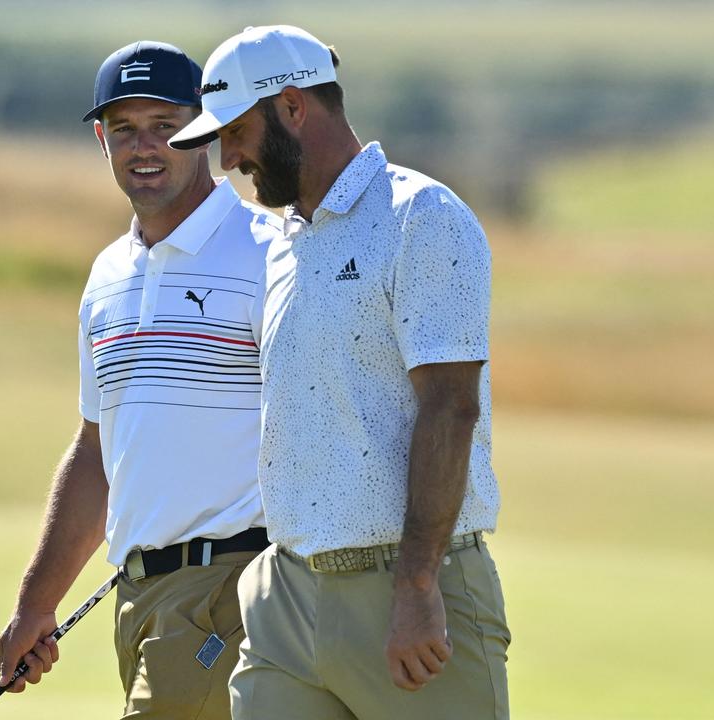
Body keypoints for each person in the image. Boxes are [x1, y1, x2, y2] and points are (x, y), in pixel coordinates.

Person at [169, 25, 511, 719]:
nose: (228, 159)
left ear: (293, 108)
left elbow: (452, 407)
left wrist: (416, 587)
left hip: (411, 588)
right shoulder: (281, 242)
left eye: (235, 132)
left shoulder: (422, 217)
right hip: (287, 598)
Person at [0, 40, 281, 719]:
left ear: (207, 127)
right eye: (124, 129)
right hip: (139, 598)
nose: (144, 147)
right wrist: (37, 603)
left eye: (166, 126)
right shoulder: (108, 276)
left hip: (235, 590)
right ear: (102, 138)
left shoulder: (269, 254)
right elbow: (99, 449)